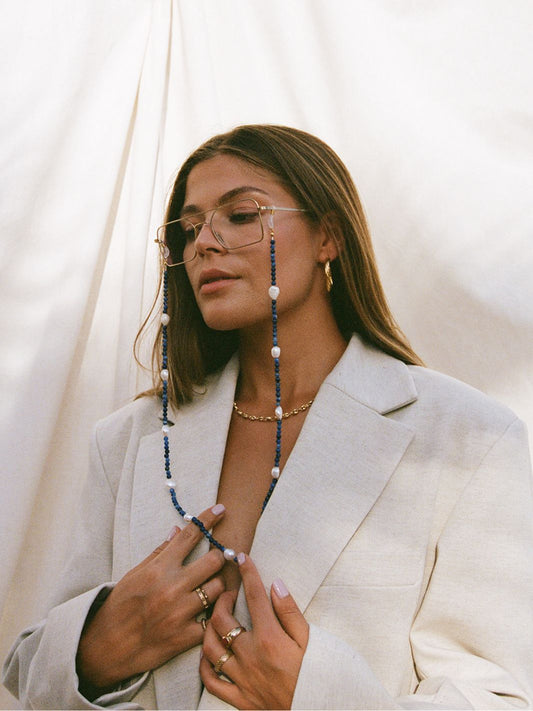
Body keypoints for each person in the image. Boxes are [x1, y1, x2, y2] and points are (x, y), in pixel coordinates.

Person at [4, 124, 533, 710]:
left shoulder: (469, 440)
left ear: (328, 236)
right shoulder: (129, 440)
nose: (205, 243)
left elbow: (498, 698)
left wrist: (316, 699)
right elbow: (28, 674)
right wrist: (101, 647)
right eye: (189, 228)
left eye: (240, 215)